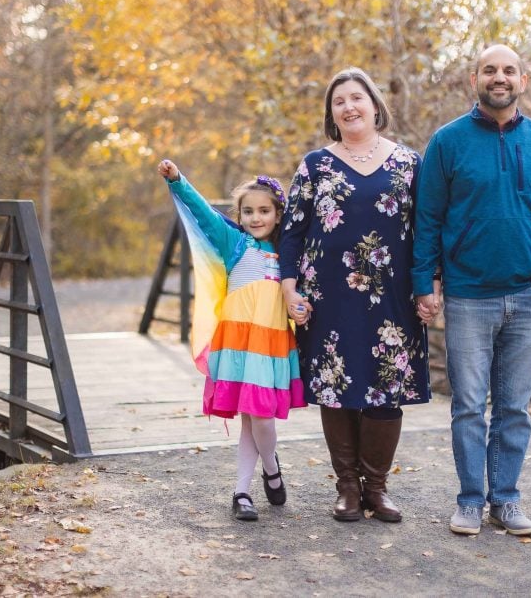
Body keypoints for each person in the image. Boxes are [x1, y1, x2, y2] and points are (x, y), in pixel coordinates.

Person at [412, 44, 531, 537]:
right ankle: (469, 501)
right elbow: (428, 218)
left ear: (522, 80)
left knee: (512, 409)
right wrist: (426, 282)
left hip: (528, 298)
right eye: (489, 70)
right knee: (467, 406)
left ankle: (506, 501)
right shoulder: (448, 142)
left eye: (508, 70)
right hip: (468, 297)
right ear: (474, 79)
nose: (498, 78)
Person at [279, 67, 431, 523]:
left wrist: (429, 285)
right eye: (339, 101)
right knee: (337, 384)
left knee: (387, 387)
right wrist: (289, 288)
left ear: (374, 104)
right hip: (329, 297)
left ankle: (377, 488)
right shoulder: (315, 165)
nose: (349, 106)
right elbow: (291, 233)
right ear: (332, 113)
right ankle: (347, 486)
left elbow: (425, 231)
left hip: (392, 297)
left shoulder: (408, 162)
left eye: (356, 98)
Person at [158, 159, 306, 521]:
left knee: (262, 420)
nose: (256, 218)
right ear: (239, 216)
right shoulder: (234, 242)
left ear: (277, 214)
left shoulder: (289, 255)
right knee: (249, 418)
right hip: (238, 344)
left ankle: (271, 467)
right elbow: (203, 212)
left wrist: (302, 311)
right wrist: (178, 181)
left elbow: (300, 296)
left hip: (270, 347)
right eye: (248, 211)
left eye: (264, 211)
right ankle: (242, 492)